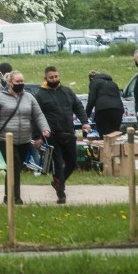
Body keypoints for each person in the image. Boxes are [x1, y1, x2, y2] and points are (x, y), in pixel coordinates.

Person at [0, 71, 50, 205]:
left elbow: (38, 115)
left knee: (16, 168)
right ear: (10, 83)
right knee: (13, 166)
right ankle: (15, 197)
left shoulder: (29, 97)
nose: (21, 84)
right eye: (18, 82)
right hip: (5, 139)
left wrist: (45, 128)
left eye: (22, 81)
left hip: (25, 140)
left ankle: (7, 196)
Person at [34, 66, 91, 204]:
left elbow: (78, 106)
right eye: (51, 77)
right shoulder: (40, 95)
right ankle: (61, 193)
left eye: (56, 77)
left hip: (68, 132)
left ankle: (59, 183)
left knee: (72, 162)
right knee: (58, 163)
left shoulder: (67, 91)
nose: (55, 79)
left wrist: (84, 122)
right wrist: (37, 136)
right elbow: (35, 116)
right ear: (45, 79)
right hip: (52, 135)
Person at [85, 71, 124, 136]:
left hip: (103, 110)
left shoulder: (94, 82)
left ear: (91, 79)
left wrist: (86, 116)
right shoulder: (113, 83)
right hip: (118, 109)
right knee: (114, 135)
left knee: (104, 135)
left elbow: (91, 100)